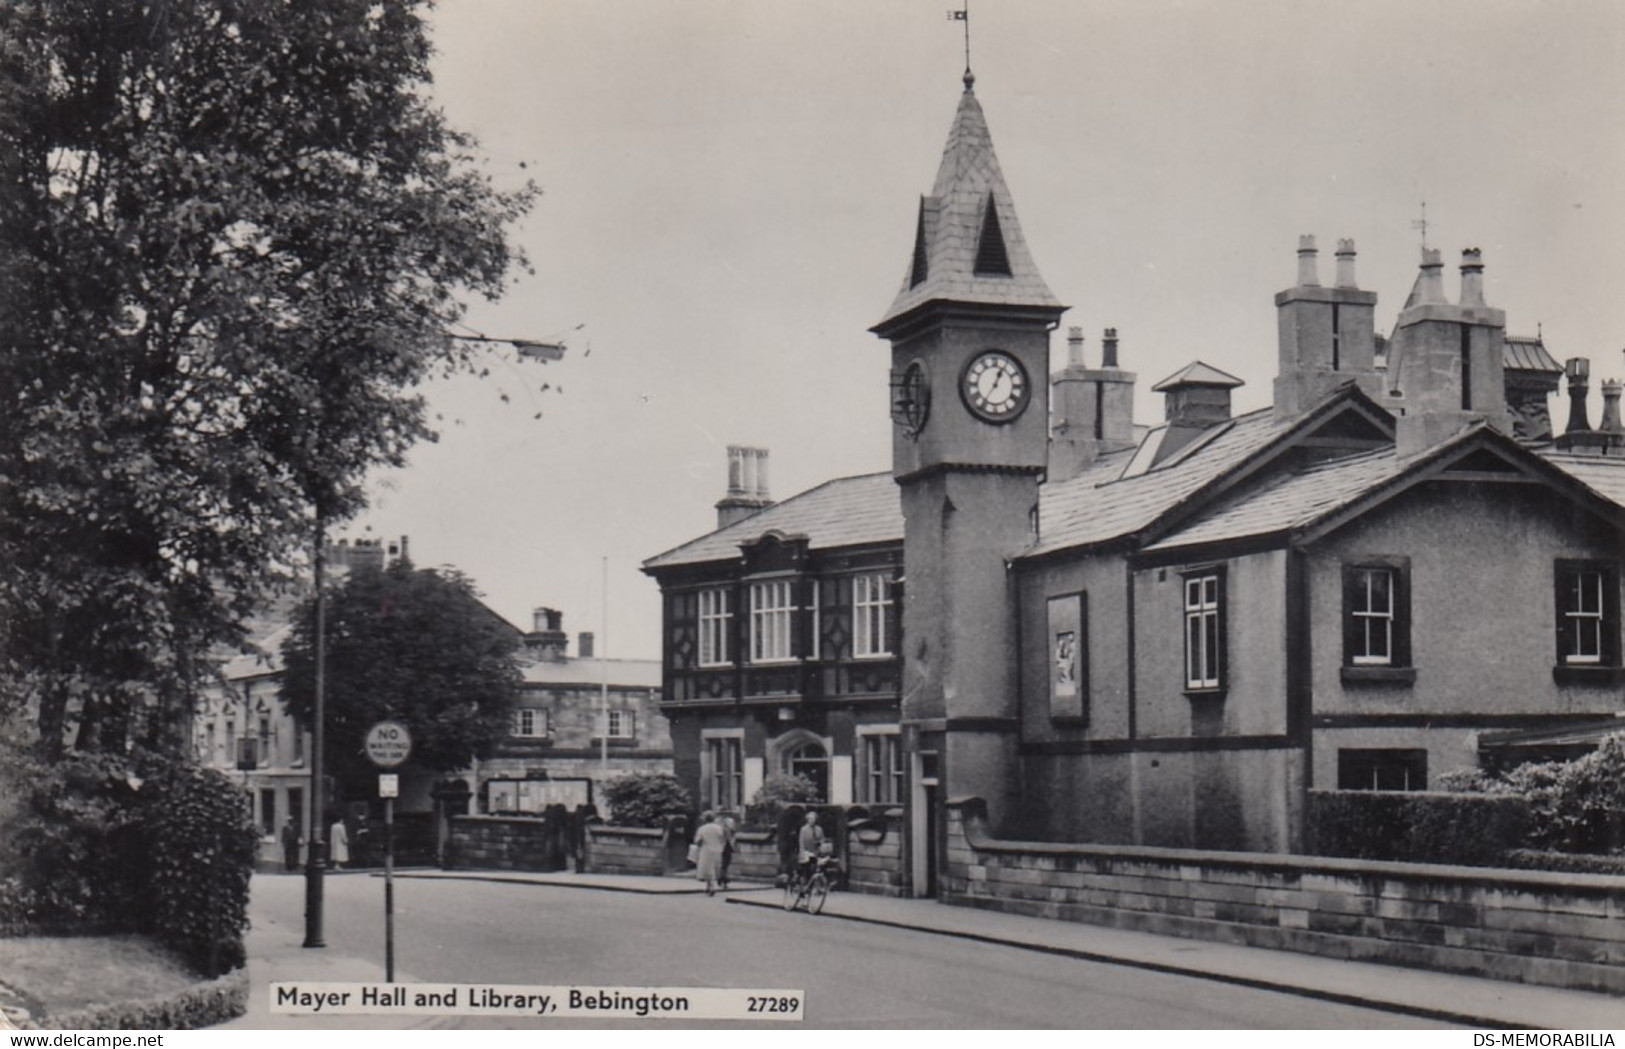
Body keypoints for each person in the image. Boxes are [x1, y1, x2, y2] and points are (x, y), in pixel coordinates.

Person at [692, 811, 728, 896]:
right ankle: (708, 887)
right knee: (714, 867)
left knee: (707, 868)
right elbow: (723, 838)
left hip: (706, 850)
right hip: (717, 849)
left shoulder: (702, 828)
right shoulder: (718, 828)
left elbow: (697, 841)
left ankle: (712, 887)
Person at [796, 810, 824, 883]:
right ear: (807, 820)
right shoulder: (804, 829)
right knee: (806, 869)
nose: (812, 821)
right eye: (810, 819)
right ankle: (804, 884)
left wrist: (820, 845)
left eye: (814, 819)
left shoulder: (819, 829)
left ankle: (817, 885)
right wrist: (802, 853)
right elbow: (801, 842)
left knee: (816, 868)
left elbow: (822, 839)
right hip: (806, 853)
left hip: (815, 852)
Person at [719, 814, 737, 890]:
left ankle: (723, 879)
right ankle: (723, 879)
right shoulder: (723, 824)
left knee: (725, 864)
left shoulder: (720, 822)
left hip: (726, 846)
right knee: (724, 864)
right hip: (723, 846)